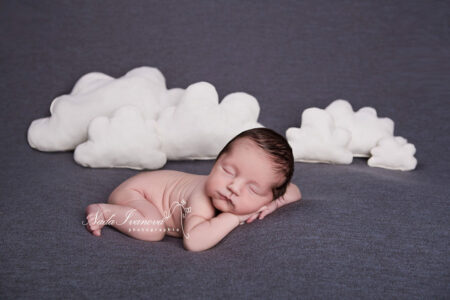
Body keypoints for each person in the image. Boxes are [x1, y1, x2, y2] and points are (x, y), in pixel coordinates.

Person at [84, 127, 302, 252]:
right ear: (215, 163)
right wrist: (236, 217)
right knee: (152, 230)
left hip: (145, 191)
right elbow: (194, 241)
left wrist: (271, 204)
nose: (233, 187)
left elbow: (293, 191)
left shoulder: (268, 195)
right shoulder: (202, 198)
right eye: (228, 171)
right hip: (137, 193)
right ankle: (106, 212)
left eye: (253, 188)